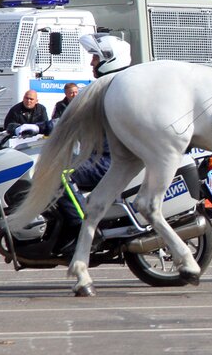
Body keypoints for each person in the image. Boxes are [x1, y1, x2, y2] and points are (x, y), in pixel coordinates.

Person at [55, 33, 132, 255]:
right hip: (103, 156)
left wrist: (47, 126)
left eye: (95, 58)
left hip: (107, 160)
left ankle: (84, 230)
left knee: (59, 173)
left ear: (110, 59)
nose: (91, 63)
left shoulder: (110, 88)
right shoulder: (114, 85)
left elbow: (74, 118)